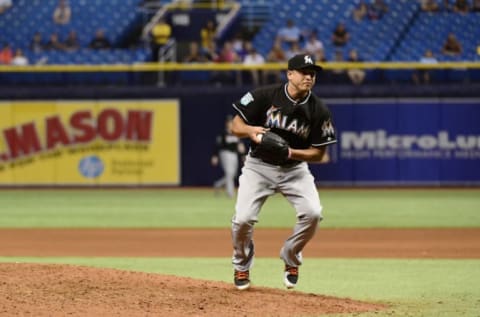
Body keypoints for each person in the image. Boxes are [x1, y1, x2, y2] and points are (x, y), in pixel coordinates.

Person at [229, 53, 337, 290]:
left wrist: (290, 153)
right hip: (259, 166)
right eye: (304, 72)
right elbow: (235, 125)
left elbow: (320, 154)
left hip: (294, 170)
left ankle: (291, 256)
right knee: (243, 219)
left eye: (312, 74)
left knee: (313, 213)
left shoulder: (319, 109)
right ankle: (241, 265)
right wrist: (249, 131)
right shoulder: (265, 95)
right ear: (290, 74)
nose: (309, 77)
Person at [211, 115, 246, 198]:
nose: (230, 124)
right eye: (229, 122)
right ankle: (230, 193)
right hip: (225, 153)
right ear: (227, 123)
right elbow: (217, 145)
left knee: (232, 175)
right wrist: (215, 156)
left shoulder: (237, 133)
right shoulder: (223, 134)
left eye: (232, 122)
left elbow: (240, 146)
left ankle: (218, 184)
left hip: (234, 154)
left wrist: (243, 155)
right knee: (229, 173)